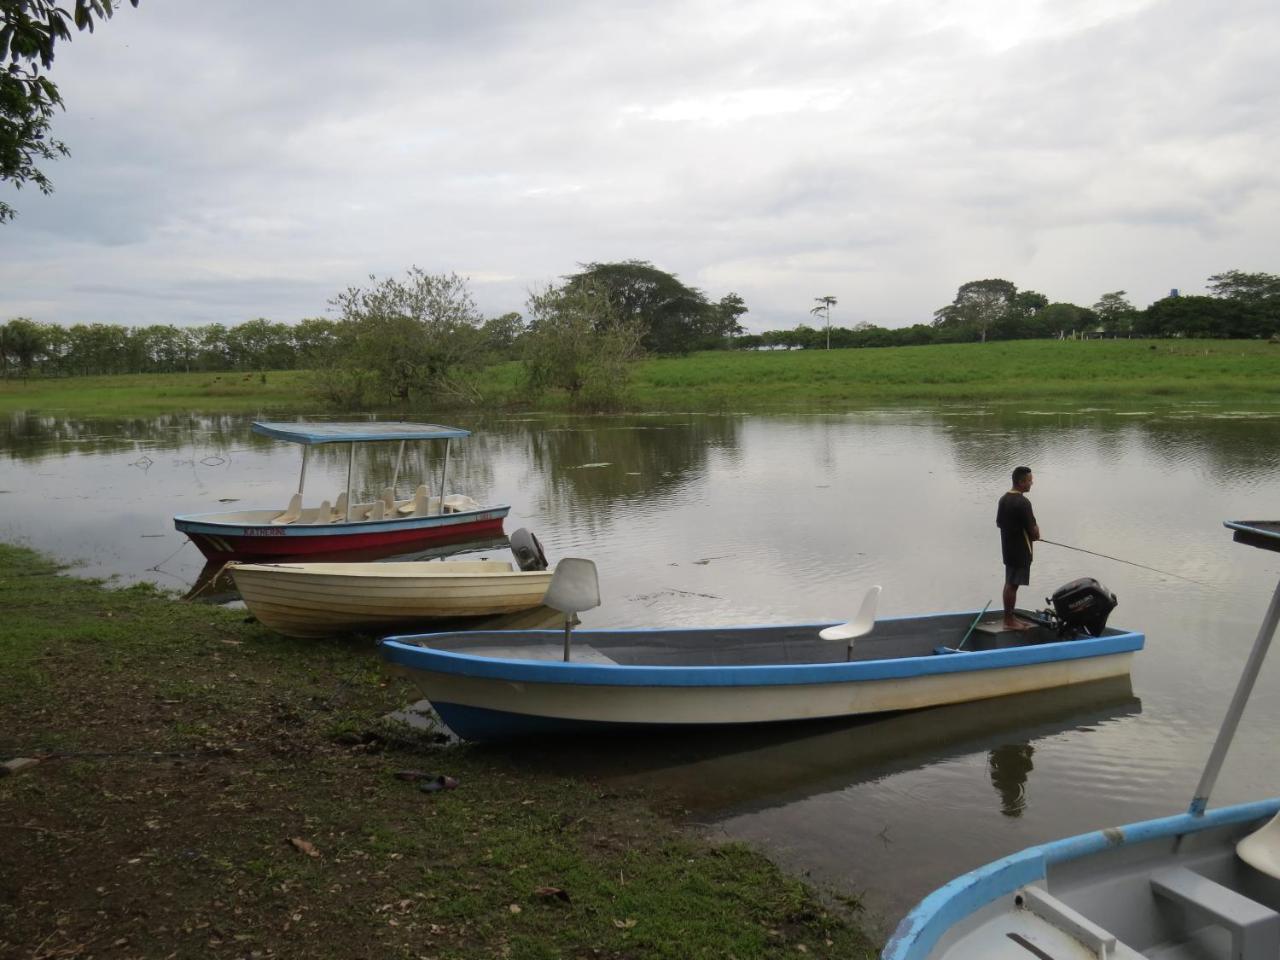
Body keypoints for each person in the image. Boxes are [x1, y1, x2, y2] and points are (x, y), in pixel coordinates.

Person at [996, 466, 1039, 631]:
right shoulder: (1023, 503)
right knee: (1013, 585)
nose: (1032, 483)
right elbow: (1034, 533)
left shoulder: (1003, 499)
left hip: (1007, 549)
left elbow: (999, 523)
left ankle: (1010, 617)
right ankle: (1009, 620)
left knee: (1010, 583)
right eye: (1029, 480)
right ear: (1021, 482)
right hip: (1021, 550)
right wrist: (1035, 532)